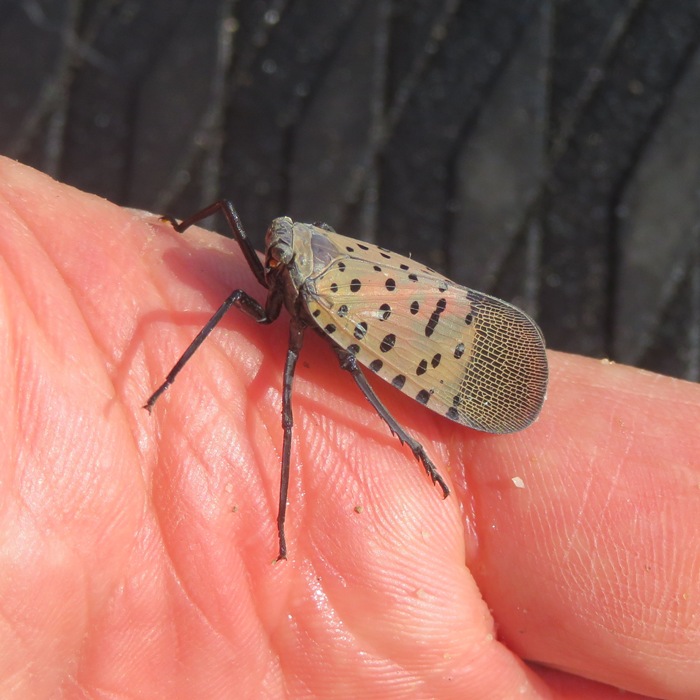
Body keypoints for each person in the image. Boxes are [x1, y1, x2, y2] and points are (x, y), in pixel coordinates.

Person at [1, 156, 697, 699]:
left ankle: (410, 442)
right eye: (270, 257)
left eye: (274, 262)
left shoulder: (303, 287)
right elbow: (230, 265)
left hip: (380, 315)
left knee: (334, 383)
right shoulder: (275, 266)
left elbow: (287, 371)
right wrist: (168, 372)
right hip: (359, 287)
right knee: (286, 371)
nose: (265, 264)